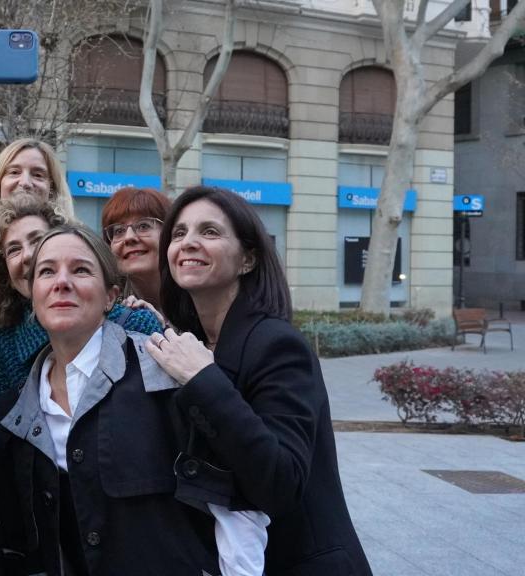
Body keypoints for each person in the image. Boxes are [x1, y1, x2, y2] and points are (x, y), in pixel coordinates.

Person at [0, 224, 262, 575]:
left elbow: (234, 500)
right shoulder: (17, 411)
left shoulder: (165, 372)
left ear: (110, 296)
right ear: (33, 295)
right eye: (47, 272)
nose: (62, 282)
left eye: (81, 270)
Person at [147, 185, 373, 575]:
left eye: (210, 232)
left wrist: (205, 379)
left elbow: (281, 480)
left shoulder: (277, 344)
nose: (189, 243)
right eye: (179, 233)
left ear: (248, 259)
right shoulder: (195, 344)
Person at [0, 195, 163, 480]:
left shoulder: (133, 325)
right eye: (13, 249)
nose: (27, 255)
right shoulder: (4, 345)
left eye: (36, 240)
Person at [100, 186, 169, 312]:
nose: (129, 237)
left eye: (143, 226)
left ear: (169, 234)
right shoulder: (106, 308)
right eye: (119, 230)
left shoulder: (197, 298)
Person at [0, 138, 75, 217]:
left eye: (38, 175)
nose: (25, 183)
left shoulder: (70, 239)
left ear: (52, 188)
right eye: (14, 172)